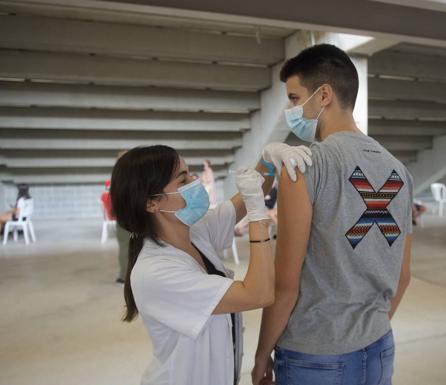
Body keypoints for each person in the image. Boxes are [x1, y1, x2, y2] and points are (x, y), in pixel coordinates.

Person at [252, 44, 414, 385]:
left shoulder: (306, 167)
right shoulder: (399, 171)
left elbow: (285, 287)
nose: (290, 110)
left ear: (323, 95)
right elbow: (402, 276)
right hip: (381, 346)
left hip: (316, 354)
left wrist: (261, 353)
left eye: (295, 99)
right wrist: (370, 328)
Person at [109, 143, 311, 385]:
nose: (195, 183)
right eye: (183, 181)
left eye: (191, 174)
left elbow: (244, 200)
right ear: (152, 203)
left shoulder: (195, 231)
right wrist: (259, 218)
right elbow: (259, 293)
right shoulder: (155, 272)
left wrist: (267, 160)